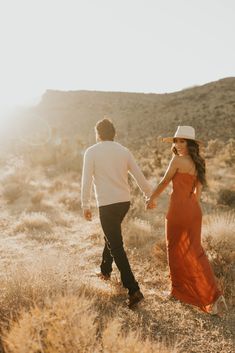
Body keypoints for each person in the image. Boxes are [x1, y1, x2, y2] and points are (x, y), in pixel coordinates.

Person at [146, 126, 227, 315]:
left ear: (190, 143)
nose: (178, 144)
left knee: (174, 250)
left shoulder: (177, 160)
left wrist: (151, 199)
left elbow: (165, 182)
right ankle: (214, 297)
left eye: (182, 141)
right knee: (196, 252)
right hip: (193, 211)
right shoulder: (200, 162)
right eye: (176, 141)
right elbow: (198, 193)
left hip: (178, 211)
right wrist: (190, 207)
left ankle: (177, 291)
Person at [81, 118, 152, 308]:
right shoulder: (123, 151)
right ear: (114, 134)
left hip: (106, 204)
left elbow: (86, 180)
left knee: (116, 245)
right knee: (111, 237)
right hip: (124, 203)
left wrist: (85, 204)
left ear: (98, 134)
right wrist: (148, 195)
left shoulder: (92, 152)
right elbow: (138, 175)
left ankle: (133, 289)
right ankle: (105, 271)